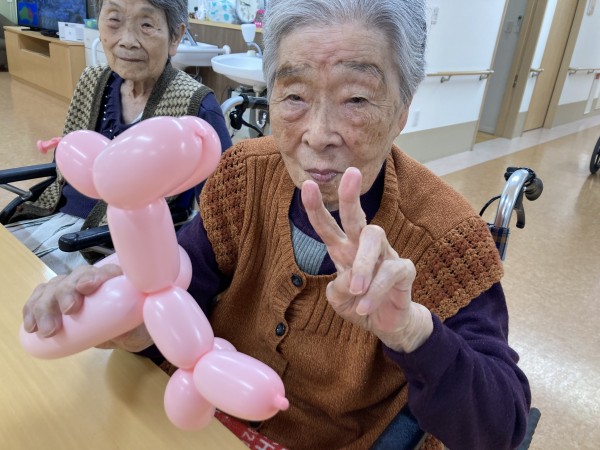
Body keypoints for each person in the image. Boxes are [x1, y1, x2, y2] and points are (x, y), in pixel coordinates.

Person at [21, 1, 532, 449]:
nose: (318, 134)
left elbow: (500, 431)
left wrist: (413, 333)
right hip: (197, 415)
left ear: (402, 109)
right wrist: (125, 313)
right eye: (294, 96)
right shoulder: (244, 175)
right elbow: (183, 283)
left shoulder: (447, 238)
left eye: (356, 99)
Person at [5, 0, 232, 275]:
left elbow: (222, 218)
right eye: (114, 20)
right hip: (51, 221)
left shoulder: (196, 106)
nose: (127, 41)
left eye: (146, 25)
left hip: (118, 254)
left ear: (176, 37)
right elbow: (63, 169)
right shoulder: (91, 80)